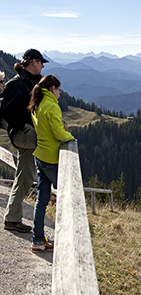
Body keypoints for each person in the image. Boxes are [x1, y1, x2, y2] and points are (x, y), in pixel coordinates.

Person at [2, 49, 46, 235]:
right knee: (49, 141)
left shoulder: (34, 82)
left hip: (28, 133)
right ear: (33, 62)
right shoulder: (17, 84)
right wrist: (23, 125)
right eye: (41, 62)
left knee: (25, 177)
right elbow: (4, 109)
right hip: (23, 134)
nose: (43, 65)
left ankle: (12, 219)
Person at [29, 75, 69, 252]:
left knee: (42, 200)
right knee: (68, 197)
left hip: (40, 155)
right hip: (52, 159)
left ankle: (37, 240)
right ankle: (69, 238)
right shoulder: (51, 106)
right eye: (59, 89)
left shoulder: (38, 103)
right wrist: (71, 137)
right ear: (53, 88)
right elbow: (59, 135)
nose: (60, 93)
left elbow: (45, 128)